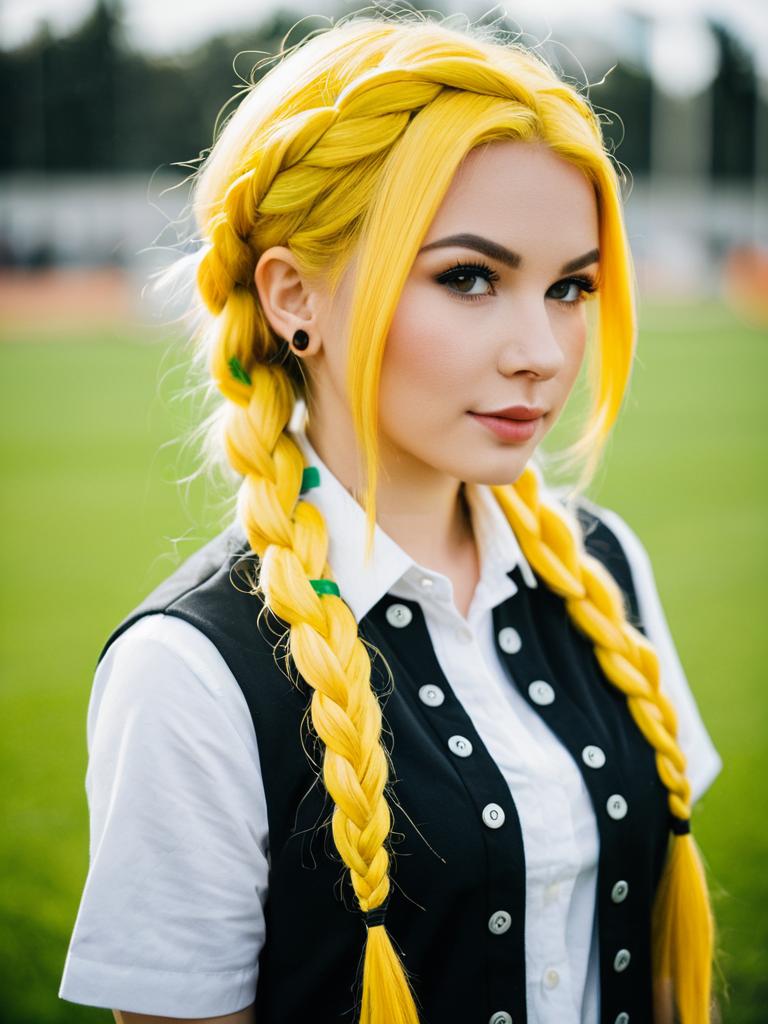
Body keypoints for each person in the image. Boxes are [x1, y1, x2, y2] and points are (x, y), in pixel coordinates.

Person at [58, 11, 723, 1024]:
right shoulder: (190, 671)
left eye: (571, 287)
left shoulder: (606, 567)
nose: (544, 353)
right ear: (294, 297)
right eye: (469, 278)